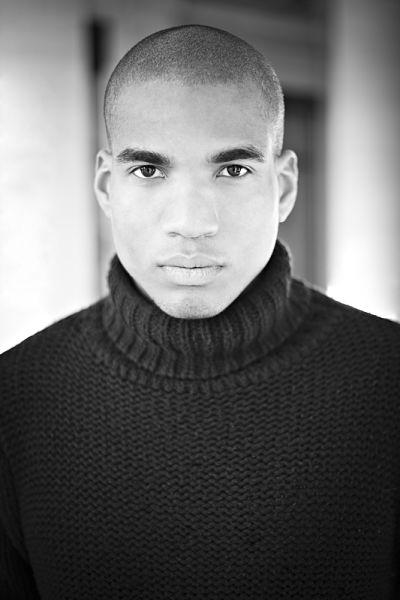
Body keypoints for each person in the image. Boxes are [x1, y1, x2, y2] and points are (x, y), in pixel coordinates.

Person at [0, 23, 399, 600]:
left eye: (232, 170)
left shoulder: (389, 380)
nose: (191, 222)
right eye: (148, 170)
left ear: (284, 188)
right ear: (107, 186)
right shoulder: (14, 401)